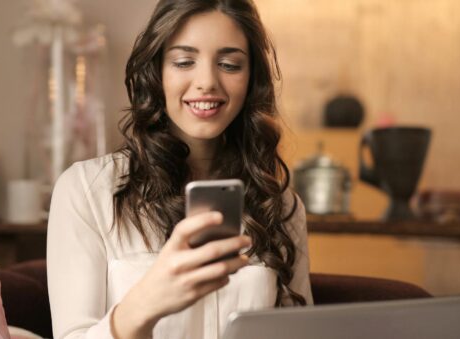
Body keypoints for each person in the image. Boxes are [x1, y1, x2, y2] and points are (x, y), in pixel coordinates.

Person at [47, 1, 312, 338]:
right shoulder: (86, 190)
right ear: (156, 72)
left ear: (251, 79)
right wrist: (145, 302)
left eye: (230, 65)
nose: (207, 82)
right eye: (184, 62)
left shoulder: (281, 206)